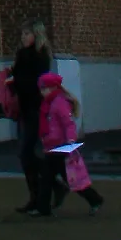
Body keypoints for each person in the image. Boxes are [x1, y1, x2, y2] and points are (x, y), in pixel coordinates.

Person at [34, 68, 103, 217]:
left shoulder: (59, 103)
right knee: (49, 178)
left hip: (60, 148)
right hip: (53, 147)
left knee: (69, 179)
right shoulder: (49, 103)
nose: (41, 92)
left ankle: (95, 199)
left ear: (53, 87)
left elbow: (68, 124)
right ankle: (44, 208)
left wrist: (71, 142)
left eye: (44, 88)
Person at [10, 21, 53, 215]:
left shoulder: (40, 57)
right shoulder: (22, 55)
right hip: (24, 108)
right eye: (23, 34)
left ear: (36, 35)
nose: (24, 37)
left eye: (27, 33)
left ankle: (46, 188)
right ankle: (37, 195)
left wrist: (16, 81)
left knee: (27, 151)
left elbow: (37, 82)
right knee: (25, 154)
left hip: (36, 108)